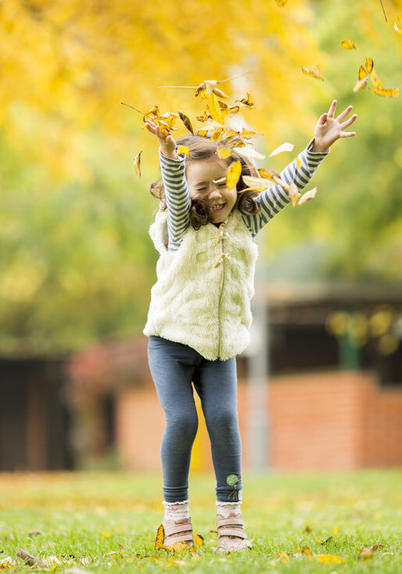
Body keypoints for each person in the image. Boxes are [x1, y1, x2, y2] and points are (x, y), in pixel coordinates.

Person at [143, 100, 357, 552]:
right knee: (182, 421)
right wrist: (167, 152)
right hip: (170, 343)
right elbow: (181, 197)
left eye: (224, 181)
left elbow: (285, 186)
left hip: (220, 348)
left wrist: (315, 150)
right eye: (203, 186)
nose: (216, 193)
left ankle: (230, 518)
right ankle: (176, 516)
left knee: (223, 419)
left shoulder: (248, 219)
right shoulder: (183, 226)